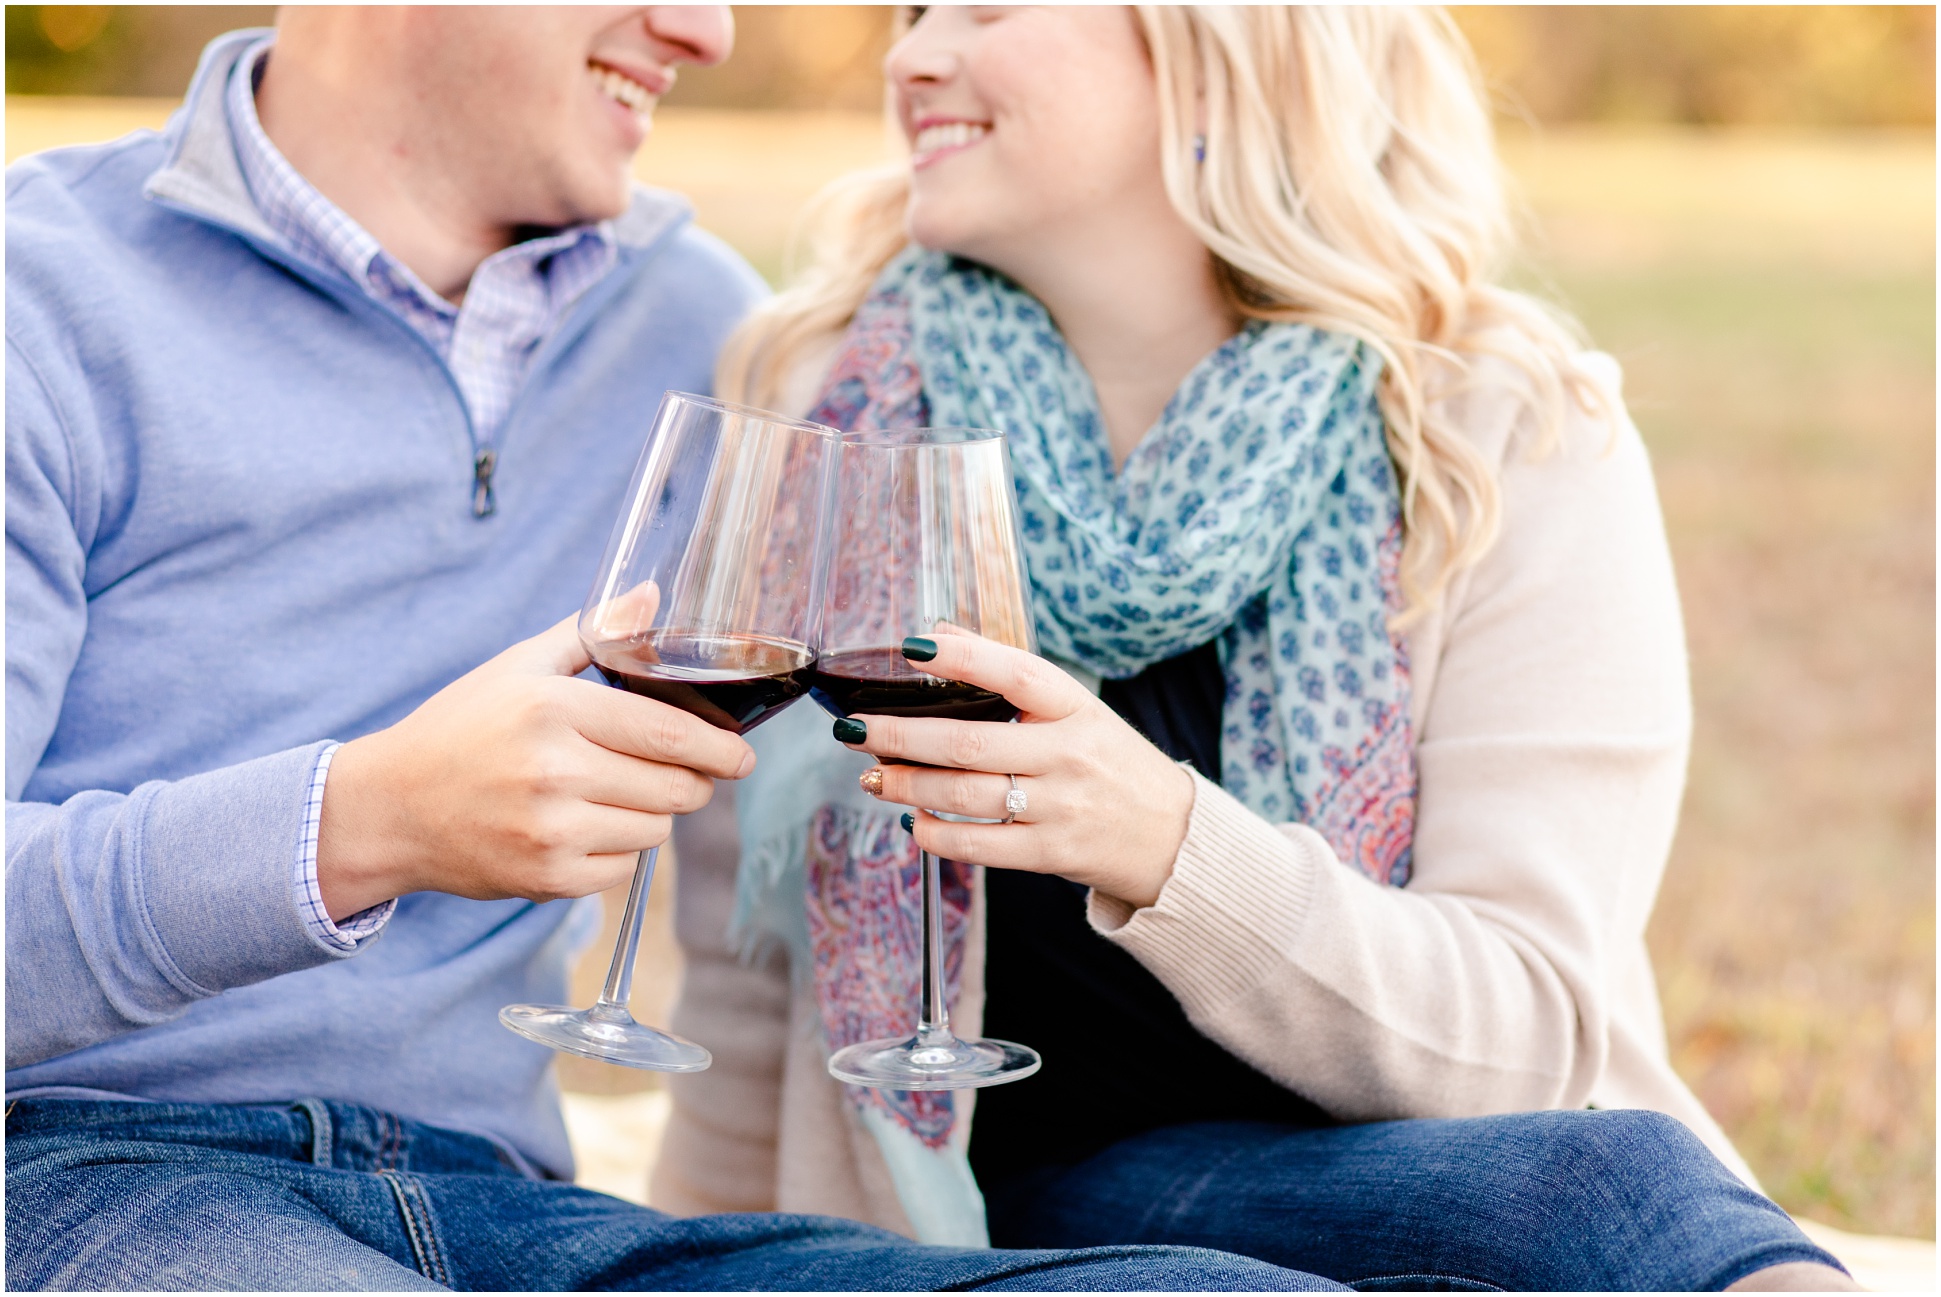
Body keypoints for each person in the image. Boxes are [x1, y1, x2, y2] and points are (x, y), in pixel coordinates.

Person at [3, 9, 1360, 1291]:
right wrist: (361, 822)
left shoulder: (698, 329)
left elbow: (733, 939)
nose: (707, 32)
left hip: (514, 1209)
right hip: (85, 1171)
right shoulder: (42, 294)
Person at [653, 6, 1855, 1292]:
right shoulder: (831, 397)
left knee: (1614, 1185)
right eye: (911, 12)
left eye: (986, 6)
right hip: (998, 1215)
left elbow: (1525, 1041)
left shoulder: (1497, 431)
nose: (911, 55)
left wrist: (1167, 844)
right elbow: (743, 971)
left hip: (1416, 1176)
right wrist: (695, 1250)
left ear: (1222, 45)